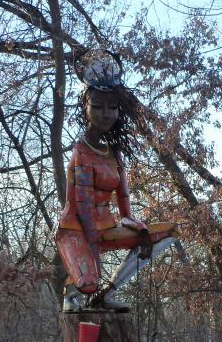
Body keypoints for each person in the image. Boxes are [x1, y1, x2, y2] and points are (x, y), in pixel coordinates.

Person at [56, 49, 176, 312]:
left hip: (106, 228)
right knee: (88, 282)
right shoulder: (82, 152)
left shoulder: (114, 154)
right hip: (76, 231)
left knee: (166, 234)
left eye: (112, 107)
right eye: (98, 106)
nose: (106, 114)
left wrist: (141, 230)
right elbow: (84, 212)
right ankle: (76, 291)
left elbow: (125, 210)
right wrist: (94, 265)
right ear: (86, 106)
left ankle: (106, 293)